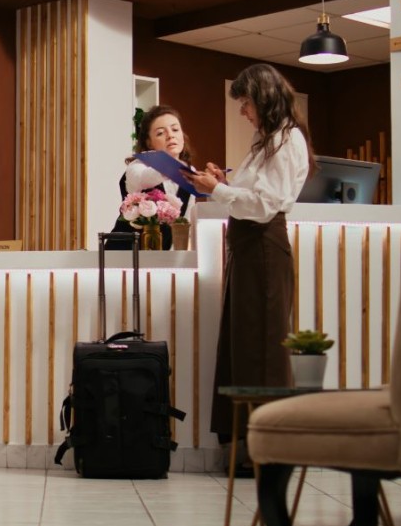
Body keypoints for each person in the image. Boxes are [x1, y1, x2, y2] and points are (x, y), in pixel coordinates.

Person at [184, 63, 313, 475]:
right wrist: (222, 182)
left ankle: (269, 450)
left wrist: (219, 190)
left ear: (263, 98)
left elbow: (264, 205)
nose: (242, 112)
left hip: (264, 248)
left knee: (264, 347)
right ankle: (244, 447)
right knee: (242, 344)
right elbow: (252, 193)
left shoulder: (287, 140)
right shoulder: (265, 141)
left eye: (245, 103)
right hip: (247, 248)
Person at [109, 105, 194, 250]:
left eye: (175, 129)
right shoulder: (137, 167)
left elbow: (185, 222)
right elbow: (146, 178)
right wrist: (174, 165)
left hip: (161, 256)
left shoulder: (190, 173)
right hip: (124, 253)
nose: (170, 135)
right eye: (160, 133)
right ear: (149, 142)